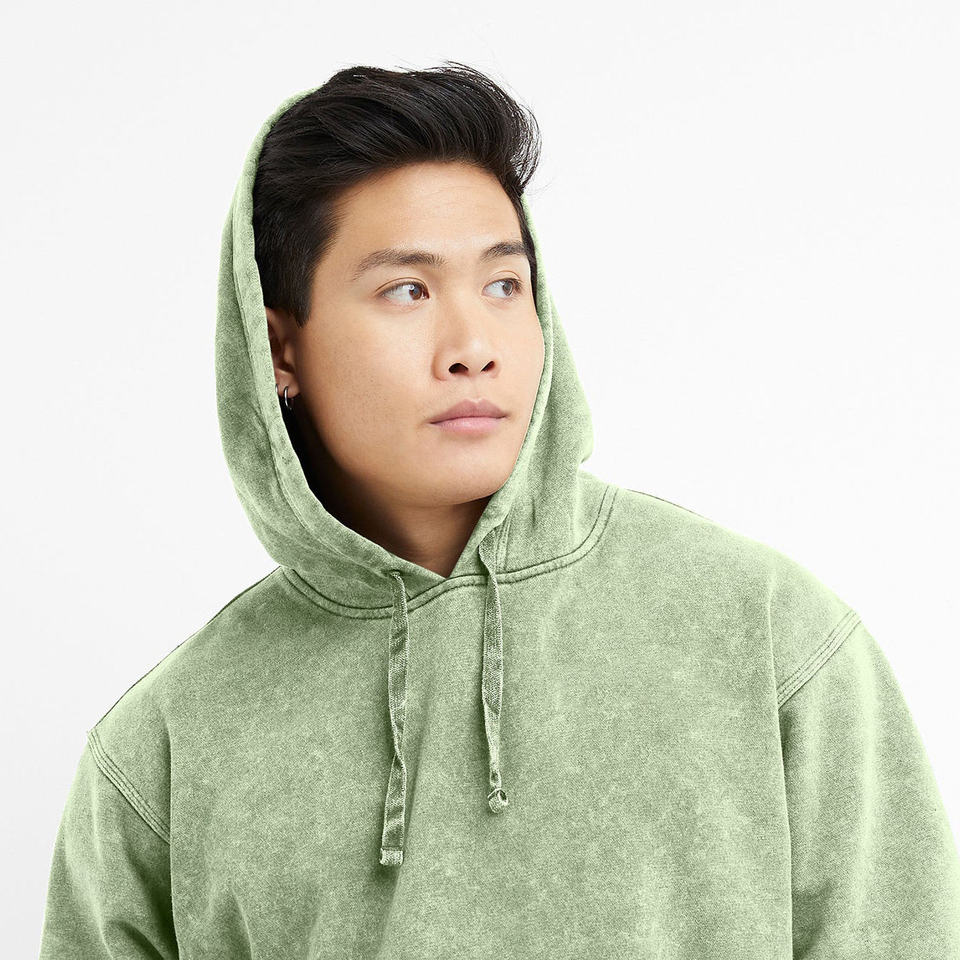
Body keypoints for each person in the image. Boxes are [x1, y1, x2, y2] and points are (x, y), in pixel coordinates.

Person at [38, 61, 960, 959]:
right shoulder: (167, 746)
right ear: (280, 348)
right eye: (407, 290)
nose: (473, 345)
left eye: (503, 285)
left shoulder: (768, 636)